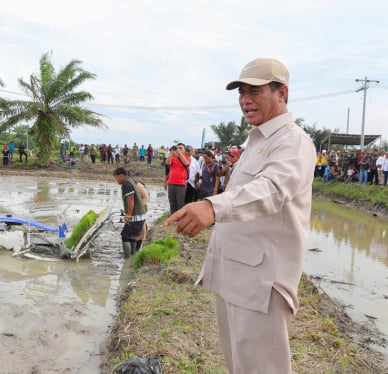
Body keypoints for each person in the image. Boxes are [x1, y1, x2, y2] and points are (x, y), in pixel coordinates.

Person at [164, 58, 315, 373]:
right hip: (235, 275)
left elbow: (271, 190)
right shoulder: (258, 141)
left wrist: (212, 206)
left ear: (282, 93)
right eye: (242, 92)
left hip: (261, 284)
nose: (245, 100)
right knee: (239, 366)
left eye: (255, 91)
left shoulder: (293, 142)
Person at [112, 167, 146, 259]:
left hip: (135, 216)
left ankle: (127, 259)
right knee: (132, 236)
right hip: (141, 215)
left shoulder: (126, 184)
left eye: (116, 178)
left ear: (121, 176)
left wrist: (129, 214)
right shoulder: (130, 180)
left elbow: (130, 199)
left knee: (125, 236)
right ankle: (132, 256)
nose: (117, 180)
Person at [165, 143, 189, 213]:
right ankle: (173, 218)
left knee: (180, 203)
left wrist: (179, 152)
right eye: (177, 148)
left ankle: (180, 219)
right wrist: (171, 153)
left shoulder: (187, 158)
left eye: (181, 148)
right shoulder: (173, 158)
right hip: (171, 183)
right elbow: (167, 162)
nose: (178, 149)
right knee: (172, 202)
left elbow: (186, 163)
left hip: (181, 184)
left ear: (184, 150)